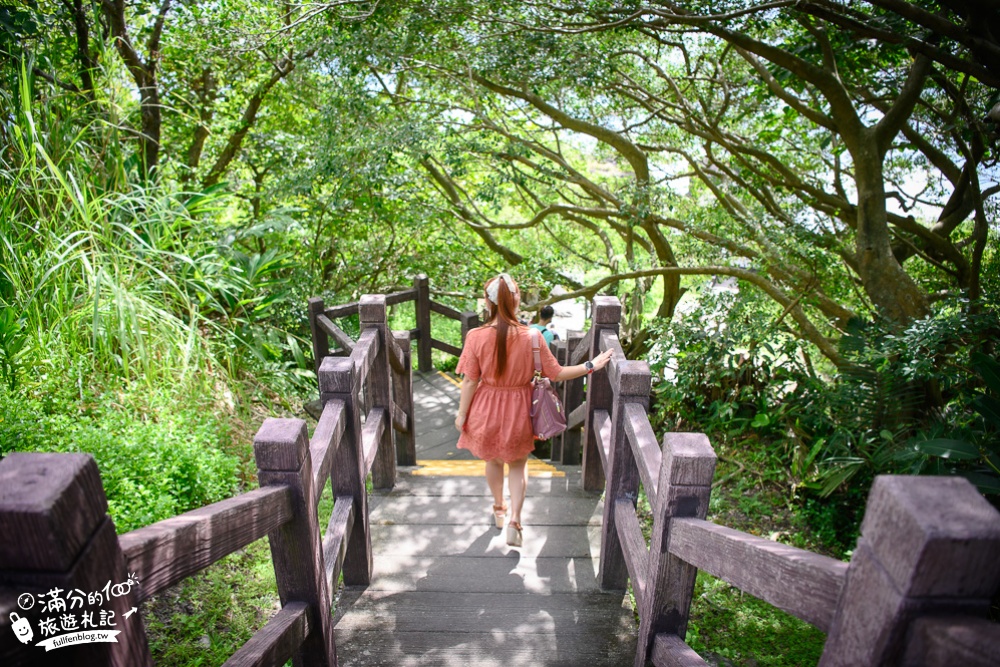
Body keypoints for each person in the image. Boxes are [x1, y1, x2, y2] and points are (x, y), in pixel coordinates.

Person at [454, 273, 613, 547]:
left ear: (487, 303)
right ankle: (516, 519)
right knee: (518, 464)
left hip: (486, 407)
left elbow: (470, 380)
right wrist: (590, 366)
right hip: (519, 408)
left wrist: (461, 414)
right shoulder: (532, 336)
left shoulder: (475, 336)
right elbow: (558, 372)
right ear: (516, 303)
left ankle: (499, 508)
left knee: (492, 461)